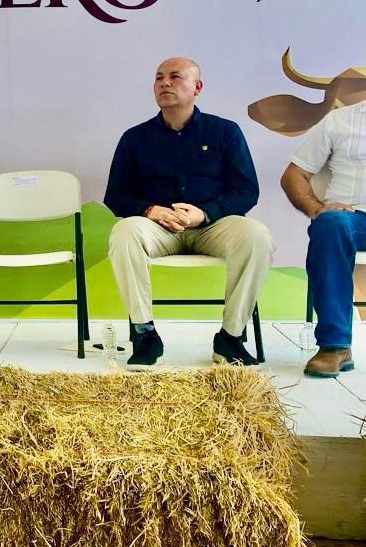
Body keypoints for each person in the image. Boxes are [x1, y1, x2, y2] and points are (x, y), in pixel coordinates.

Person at [104, 57, 273, 370]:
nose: (165, 83)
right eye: (159, 78)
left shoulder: (225, 131)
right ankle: (145, 334)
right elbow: (115, 195)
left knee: (257, 236)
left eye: (175, 76)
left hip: (212, 226)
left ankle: (230, 337)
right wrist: (150, 210)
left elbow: (246, 191)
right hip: (159, 229)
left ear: (197, 87)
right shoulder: (135, 138)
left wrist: (204, 213)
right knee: (124, 232)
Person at [279, 102, 366, 377]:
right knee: (330, 223)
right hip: (352, 218)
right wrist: (317, 208)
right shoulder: (339, 120)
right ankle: (335, 346)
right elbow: (294, 175)